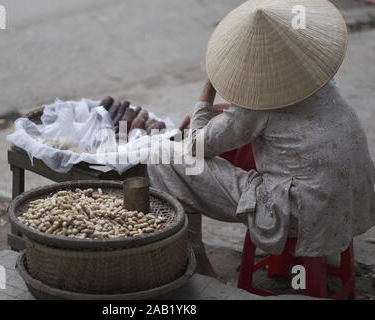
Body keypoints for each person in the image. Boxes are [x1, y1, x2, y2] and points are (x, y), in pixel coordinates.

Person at [147, 0, 375, 278]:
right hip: (346, 199)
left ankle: (199, 264)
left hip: (295, 211)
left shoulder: (255, 110)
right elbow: (270, 116)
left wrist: (208, 90)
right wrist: (215, 112)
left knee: (161, 158)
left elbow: (197, 145)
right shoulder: (319, 82)